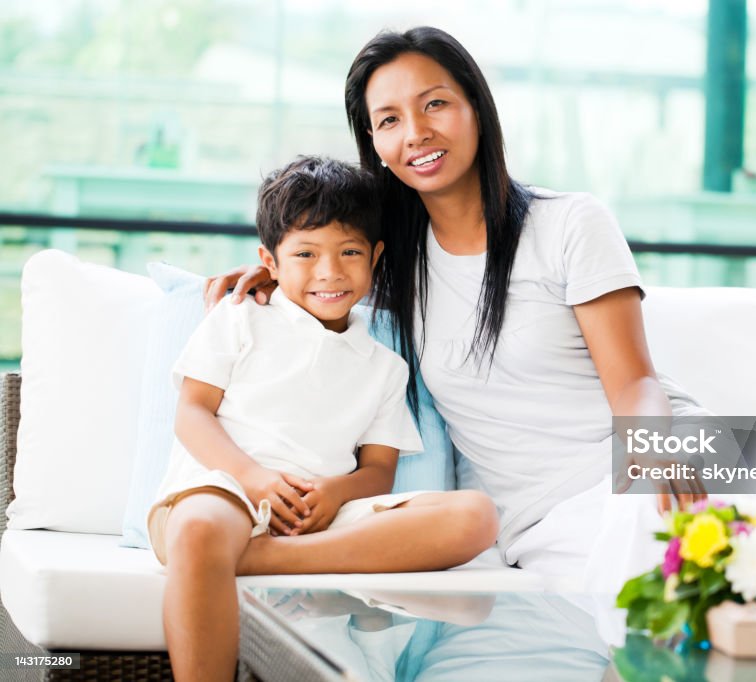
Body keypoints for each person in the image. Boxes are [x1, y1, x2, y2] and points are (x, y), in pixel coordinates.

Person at [205, 26, 707, 590]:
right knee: (671, 589)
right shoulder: (387, 262)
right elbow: (320, 280)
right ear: (374, 143)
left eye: (435, 104)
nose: (416, 133)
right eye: (390, 120)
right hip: (544, 517)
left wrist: (657, 452)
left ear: (477, 108)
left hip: (659, 458)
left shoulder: (570, 222)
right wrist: (273, 281)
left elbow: (635, 380)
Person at [151, 155, 498, 682]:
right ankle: (220, 555)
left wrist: (334, 494)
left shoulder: (384, 366)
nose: (330, 272)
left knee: (476, 517)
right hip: (221, 491)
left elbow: (378, 473)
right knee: (199, 530)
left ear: (376, 256)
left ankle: (258, 559)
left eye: (350, 252)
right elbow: (192, 414)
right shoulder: (242, 314)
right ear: (270, 260)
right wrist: (255, 479)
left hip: (323, 517)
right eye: (306, 254)